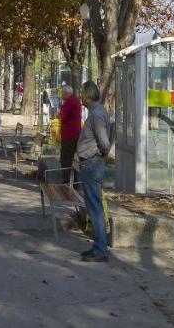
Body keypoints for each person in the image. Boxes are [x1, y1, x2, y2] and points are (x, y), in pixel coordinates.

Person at [75, 81, 113, 262]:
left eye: (82, 94)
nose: (81, 98)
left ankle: (100, 249)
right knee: (93, 206)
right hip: (91, 162)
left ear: (88, 95)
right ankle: (99, 247)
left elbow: (105, 144)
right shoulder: (98, 112)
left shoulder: (97, 115)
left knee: (95, 207)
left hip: (92, 164)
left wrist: (96, 154)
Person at [59, 85, 83, 187]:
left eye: (63, 94)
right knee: (75, 160)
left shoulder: (68, 102)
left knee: (66, 159)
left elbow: (63, 117)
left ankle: (66, 182)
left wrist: (59, 113)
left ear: (66, 93)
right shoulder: (76, 100)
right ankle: (75, 182)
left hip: (69, 135)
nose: (62, 96)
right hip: (76, 134)